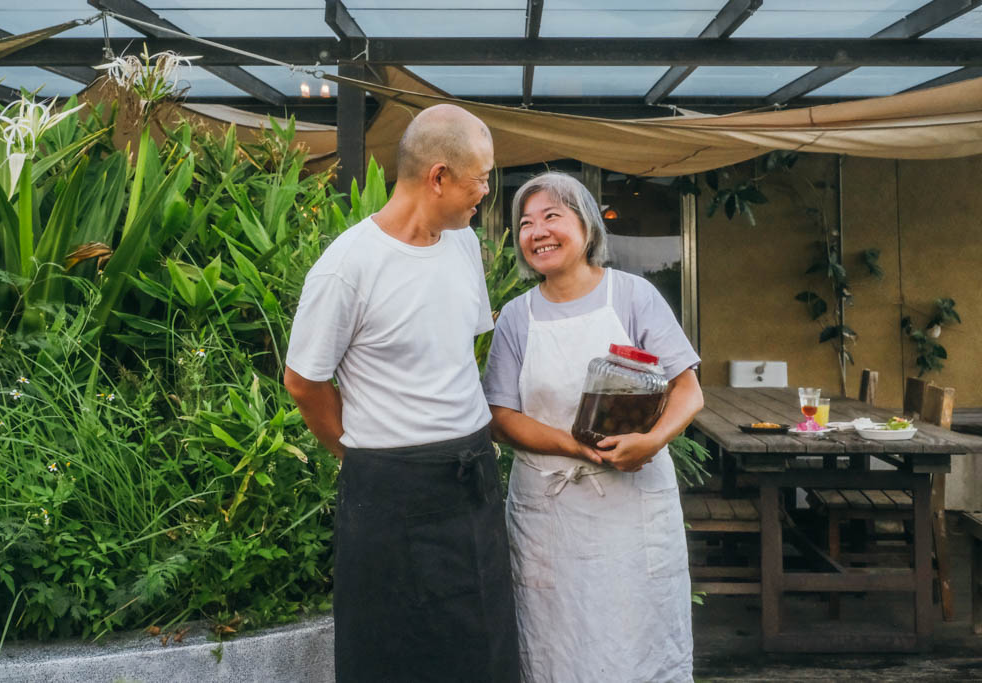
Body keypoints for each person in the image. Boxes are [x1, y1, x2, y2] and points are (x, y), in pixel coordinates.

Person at [283, 104, 519, 683]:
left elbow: (457, 352)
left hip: (471, 480)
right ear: (438, 176)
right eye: (480, 177)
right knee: (389, 655)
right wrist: (357, 454)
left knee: (485, 650)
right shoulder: (348, 267)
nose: (485, 192)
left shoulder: (463, 245)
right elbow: (303, 382)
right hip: (389, 494)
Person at [483, 171, 703, 682]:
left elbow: (688, 390)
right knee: (553, 645)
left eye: (551, 217)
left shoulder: (633, 296)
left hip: (632, 509)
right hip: (550, 515)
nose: (537, 231)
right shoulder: (517, 317)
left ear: (585, 225)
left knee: (637, 642)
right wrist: (576, 447)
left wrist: (651, 439)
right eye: (525, 223)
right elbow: (500, 416)